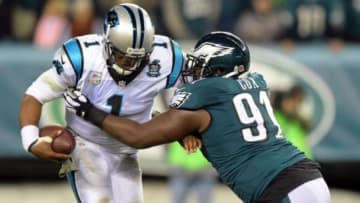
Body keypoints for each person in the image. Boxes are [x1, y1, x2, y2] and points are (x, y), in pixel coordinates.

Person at [64, 31, 331, 203]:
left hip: (282, 189)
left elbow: (139, 136)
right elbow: (217, 123)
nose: (193, 70)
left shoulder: (206, 93)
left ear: (217, 69)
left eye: (200, 64)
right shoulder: (252, 82)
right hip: (303, 179)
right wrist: (181, 130)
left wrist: (90, 111)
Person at [19, 3, 192, 203]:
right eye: (121, 56)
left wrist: (183, 124)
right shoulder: (83, 57)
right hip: (86, 143)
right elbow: (35, 94)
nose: (129, 65)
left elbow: (193, 89)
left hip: (127, 150)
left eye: (136, 58)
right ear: (107, 43)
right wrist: (30, 140)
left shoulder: (166, 57)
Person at [271, 85, 313, 158]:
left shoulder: (298, 123)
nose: (295, 104)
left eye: (299, 100)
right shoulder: (273, 119)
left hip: (305, 165)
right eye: (293, 99)